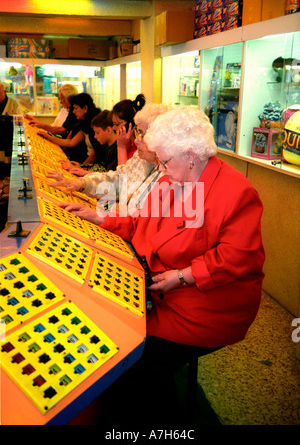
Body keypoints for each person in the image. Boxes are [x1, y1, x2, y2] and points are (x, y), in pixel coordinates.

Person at [59, 105, 265, 424]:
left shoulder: (236, 192)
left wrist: (181, 277)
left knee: (132, 362)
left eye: (166, 161)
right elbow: (141, 221)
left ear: (192, 155)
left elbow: (235, 259)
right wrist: (101, 217)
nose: (162, 169)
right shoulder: (172, 179)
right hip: (163, 290)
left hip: (205, 307)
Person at [48, 103, 167, 216]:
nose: (136, 140)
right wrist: (83, 183)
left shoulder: (168, 175)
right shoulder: (141, 158)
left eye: (141, 134)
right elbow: (118, 180)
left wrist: (107, 209)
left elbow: (142, 218)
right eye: (137, 133)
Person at [37, 92, 101, 164]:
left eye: (76, 108)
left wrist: (81, 168)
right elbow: (71, 142)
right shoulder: (84, 123)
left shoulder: (96, 124)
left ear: (85, 108)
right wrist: (47, 137)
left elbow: (95, 154)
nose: (73, 111)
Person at [111, 94, 146, 164]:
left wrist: (121, 147)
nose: (113, 128)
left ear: (130, 124)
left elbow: (123, 173)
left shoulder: (140, 148)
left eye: (116, 124)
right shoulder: (128, 143)